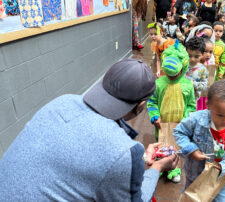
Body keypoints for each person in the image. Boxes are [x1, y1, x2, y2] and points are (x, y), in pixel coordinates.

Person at [0, 59, 179, 201]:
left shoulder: (62, 102)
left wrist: (136, 161)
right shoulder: (123, 152)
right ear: (141, 105)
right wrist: (156, 167)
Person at [173, 80, 225, 202]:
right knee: (190, 197)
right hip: (195, 174)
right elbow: (179, 131)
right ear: (208, 105)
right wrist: (192, 149)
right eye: (220, 115)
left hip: (222, 177)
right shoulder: (196, 119)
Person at [147, 41, 196, 182]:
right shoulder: (158, 84)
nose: (171, 77)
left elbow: (191, 106)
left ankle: (174, 169)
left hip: (180, 125)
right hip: (161, 124)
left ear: (184, 67)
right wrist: (154, 116)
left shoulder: (188, 85)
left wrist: (186, 119)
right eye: (167, 74)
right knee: (161, 144)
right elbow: (152, 102)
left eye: (174, 74)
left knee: (176, 147)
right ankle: (159, 166)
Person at [185, 37, 209, 110]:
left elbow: (204, 86)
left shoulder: (203, 70)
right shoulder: (182, 65)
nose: (192, 59)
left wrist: (193, 84)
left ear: (202, 54)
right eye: (189, 56)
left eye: (196, 56)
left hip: (193, 100)